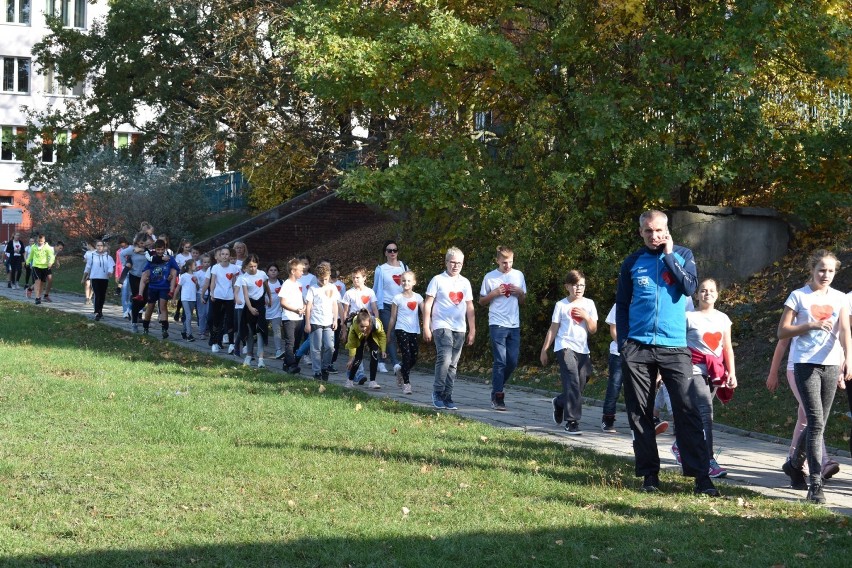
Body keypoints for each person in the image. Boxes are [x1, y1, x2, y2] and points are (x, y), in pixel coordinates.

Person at [615, 210, 719, 496]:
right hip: (638, 346)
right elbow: (622, 305)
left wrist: (670, 255)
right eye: (648, 231)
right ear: (641, 232)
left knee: (688, 409)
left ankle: (701, 478)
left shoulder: (684, 255)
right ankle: (649, 476)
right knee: (641, 412)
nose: (654, 236)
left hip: (674, 346)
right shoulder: (632, 262)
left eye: (659, 230)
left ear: (668, 230)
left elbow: (689, 287)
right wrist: (624, 342)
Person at [776, 250, 852, 504]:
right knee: (816, 421)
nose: (826, 275)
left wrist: (848, 360)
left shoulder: (841, 298)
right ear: (812, 269)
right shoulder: (798, 296)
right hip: (805, 364)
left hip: (830, 365)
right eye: (821, 269)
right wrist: (810, 325)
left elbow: (844, 331)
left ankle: (793, 464)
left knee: (819, 423)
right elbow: (782, 332)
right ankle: (816, 484)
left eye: (831, 270)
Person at [673, 278, 738, 479]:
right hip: (693, 370)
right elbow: (678, 345)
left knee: (696, 414)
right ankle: (708, 460)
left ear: (717, 294)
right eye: (702, 290)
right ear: (697, 295)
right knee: (706, 413)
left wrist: (732, 372)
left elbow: (727, 347)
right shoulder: (688, 317)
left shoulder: (723, 319)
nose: (707, 293)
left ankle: (680, 445)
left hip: (715, 372)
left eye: (711, 290)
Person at [767, 337, 840, 489]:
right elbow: (782, 341)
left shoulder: (837, 312)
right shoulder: (798, 313)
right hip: (798, 369)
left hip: (826, 368)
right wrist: (773, 372)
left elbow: (840, 337)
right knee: (813, 416)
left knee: (805, 416)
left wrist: (842, 364)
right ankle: (824, 461)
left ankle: (793, 459)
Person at [540, 270, 597, 434]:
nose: (578, 288)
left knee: (580, 382)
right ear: (567, 286)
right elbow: (553, 329)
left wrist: (586, 316)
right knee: (572, 380)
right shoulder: (561, 305)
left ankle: (559, 402)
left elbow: (593, 330)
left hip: (582, 349)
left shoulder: (589, 304)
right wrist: (544, 350)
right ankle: (572, 421)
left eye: (582, 285)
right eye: (575, 285)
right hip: (564, 346)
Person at [423, 247, 475, 410]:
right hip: (441, 325)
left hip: (459, 328)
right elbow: (428, 304)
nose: (455, 265)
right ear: (446, 262)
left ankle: (447, 395)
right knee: (444, 358)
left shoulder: (465, 282)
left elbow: (469, 307)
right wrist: (426, 326)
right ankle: (437, 392)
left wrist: (472, 330)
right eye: (452, 262)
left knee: (453, 363)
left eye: (459, 263)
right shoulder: (438, 280)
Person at [479, 245, 527, 410]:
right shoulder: (490, 277)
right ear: (498, 260)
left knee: (512, 362)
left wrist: (520, 292)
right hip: (497, 323)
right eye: (504, 262)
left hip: (514, 324)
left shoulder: (518, 275)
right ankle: (498, 397)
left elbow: (523, 301)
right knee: (500, 361)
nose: (508, 266)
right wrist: (494, 293)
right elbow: (481, 301)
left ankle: (496, 387)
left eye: (511, 262)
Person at [373, 240, 408, 374]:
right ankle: (395, 363)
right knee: (389, 332)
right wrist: (373, 306)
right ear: (385, 253)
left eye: (395, 250)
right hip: (386, 305)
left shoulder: (404, 267)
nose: (392, 253)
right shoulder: (381, 269)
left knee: (400, 332)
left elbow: (409, 283)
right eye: (389, 250)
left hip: (401, 305)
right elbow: (376, 288)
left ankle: (381, 360)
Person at [388, 270, 423, 394]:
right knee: (406, 355)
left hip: (414, 330)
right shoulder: (397, 298)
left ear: (414, 282)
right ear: (400, 282)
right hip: (401, 329)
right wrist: (388, 334)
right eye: (403, 280)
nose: (406, 283)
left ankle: (400, 370)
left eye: (408, 280)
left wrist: (428, 328)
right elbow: (393, 317)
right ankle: (406, 383)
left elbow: (425, 313)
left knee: (414, 357)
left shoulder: (418, 297)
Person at [137, 239, 180, 338]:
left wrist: (171, 275)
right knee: (150, 307)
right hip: (153, 286)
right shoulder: (152, 259)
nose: (160, 251)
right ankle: (145, 327)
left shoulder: (169, 259)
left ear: (164, 249)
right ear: (155, 249)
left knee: (163, 306)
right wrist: (147, 277)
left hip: (164, 287)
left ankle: (164, 329)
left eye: (161, 249)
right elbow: (145, 270)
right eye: (158, 250)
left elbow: (177, 270)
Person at [305, 263, 340, 381]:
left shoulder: (332, 287)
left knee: (330, 347)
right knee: (316, 348)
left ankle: (325, 367)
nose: (324, 282)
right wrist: (307, 323)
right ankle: (316, 371)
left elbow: (334, 304)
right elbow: (308, 307)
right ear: (316, 277)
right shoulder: (313, 289)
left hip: (328, 322)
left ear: (329, 276)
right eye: (321, 280)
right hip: (316, 321)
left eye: (326, 279)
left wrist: (335, 319)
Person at [203, 246, 241, 353]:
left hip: (229, 297)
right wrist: (212, 293)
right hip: (218, 296)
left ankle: (231, 344)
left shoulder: (234, 268)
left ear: (230, 256)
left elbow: (234, 283)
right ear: (220, 256)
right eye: (222, 254)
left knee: (230, 320)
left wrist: (235, 295)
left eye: (227, 254)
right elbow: (213, 281)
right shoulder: (215, 267)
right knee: (216, 319)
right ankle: (215, 342)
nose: (224, 256)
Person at [239, 254, 271, 368]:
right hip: (250, 305)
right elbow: (246, 295)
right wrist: (250, 308)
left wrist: (269, 298)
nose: (253, 269)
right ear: (246, 267)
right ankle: (249, 355)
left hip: (261, 304)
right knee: (249, 331)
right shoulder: (244, 278)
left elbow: (267, 287)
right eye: (250, 266)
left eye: (254, 266)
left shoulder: (262, 274)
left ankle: (261, 358)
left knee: (260, 331)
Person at [344, 309, 387, 389]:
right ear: (357, 324)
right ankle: (350, 380)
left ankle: (372, 381)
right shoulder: (353, 328)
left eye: (366, 326)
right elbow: (352, 344)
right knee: (358, 359)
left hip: (371, 335)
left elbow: (382, 335)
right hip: (359, 337)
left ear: (370, 323)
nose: (364, 328)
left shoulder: (376, 324)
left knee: (374, 355)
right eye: (362, 326)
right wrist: (351, 359)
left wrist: (383, 350)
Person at [278, 258, 307, 373]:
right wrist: (295, 310)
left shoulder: (299, 284)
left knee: (296, 342)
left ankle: (287, 363)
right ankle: (292, 365)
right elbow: (283, 302)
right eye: (300, 270)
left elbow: (303, 299)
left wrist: (304, 307)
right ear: (293, 271)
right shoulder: (287, 284)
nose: (302, 272)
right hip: (289, 317)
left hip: (299, 318)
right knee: (290, 341)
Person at [121, 233, 151, 333]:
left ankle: (132, 311)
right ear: (137, 242)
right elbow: (121, 254)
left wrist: (143, 250)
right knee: (136, 298)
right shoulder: (132, 249)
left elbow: (152, 257)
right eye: (141, 243)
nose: (143, 245)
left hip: (145, 277)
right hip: (134, 276)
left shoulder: (147, 250)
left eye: (144, 243)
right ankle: (134, 323)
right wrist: (126, 264)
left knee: (145, 298)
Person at [82, 240, 115, 321]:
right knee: (97, 294)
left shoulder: (108, 257)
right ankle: (97, 312)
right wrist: (84, 278)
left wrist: (110, 272)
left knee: (102, 295)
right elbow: (88, 267)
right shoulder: (92, 256)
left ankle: (100, 310)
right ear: (95, 247)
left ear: (103, 247)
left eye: (101, 245)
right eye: (98, 245)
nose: (99, 247)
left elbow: (111, 266)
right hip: (95, 278)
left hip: (104, 278)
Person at [25, 234, 55, 305]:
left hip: (44, 267)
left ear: (44, 240)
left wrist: (50, 263)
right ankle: (37, 298)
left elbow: (52, 256)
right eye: (38, 241)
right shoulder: (33, 247)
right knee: (37, 282)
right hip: (36, 266)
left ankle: (39, 296)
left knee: (42, 283)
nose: (40, 242)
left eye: (41, 241)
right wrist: (27, 262)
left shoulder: (47, 248)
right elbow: (30, 256)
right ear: (37, 240)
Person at [175, 259, 198, 341]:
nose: (196, 266)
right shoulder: (184, 276)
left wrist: (196, 282)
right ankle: (189, 334)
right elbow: (178, 287)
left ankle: (183, 331)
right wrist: (174, 297)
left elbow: (197, 288)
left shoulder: (195, 275)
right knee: (188, 316)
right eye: (194, 265)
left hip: (193, 298)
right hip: (185, 298)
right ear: (189, 266)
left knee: (189, 316)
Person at [266, 263, 284, 359]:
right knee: (261, 331)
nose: (273, 272)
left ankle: (278, 350)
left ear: (278, 272)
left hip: (277, 311)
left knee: (277, 330)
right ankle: (260, 349)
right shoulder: (265, 283)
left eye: (275, 270)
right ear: (267, 272)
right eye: (271, 270)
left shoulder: (281, 282)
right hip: (265, 310)